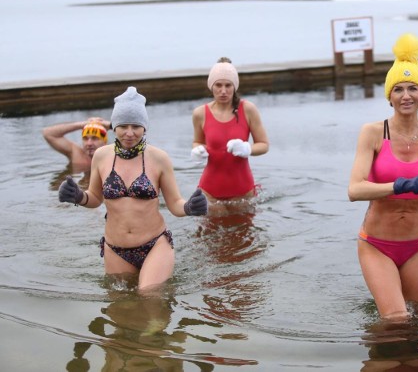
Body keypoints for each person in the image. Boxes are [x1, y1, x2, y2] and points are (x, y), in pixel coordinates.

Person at [347, 33, 418, 321]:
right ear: (389, 96)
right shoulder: (372, 133)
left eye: (413, 88)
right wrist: (397, 186)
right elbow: (355, 189)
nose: (406, 95)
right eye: (398, 89)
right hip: (377, 243)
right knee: (397, 319)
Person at [58, 86, 208, 291]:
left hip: (155, 244)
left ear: (144, 127)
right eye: (123, 126)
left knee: (148, 295)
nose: (129, 133)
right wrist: (77, 196)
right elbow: (94, 198)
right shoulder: (102, 156)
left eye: (136, 126)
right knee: (120, 310)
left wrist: (190, 207)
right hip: (115, 248)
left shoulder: (159, 158)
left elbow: (174, 204)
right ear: (114, 128)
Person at [190, 57, 269, 214]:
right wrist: (198, 150)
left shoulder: (248, 109)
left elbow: (264, 145)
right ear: (211, 86)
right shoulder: (200, 113)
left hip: (242, 191)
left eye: (228, 85)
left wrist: (248, 148)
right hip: (209, 191)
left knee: (243, 237)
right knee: (209, 237)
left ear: (235, 87)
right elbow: (197, 141)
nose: (223, 91)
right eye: (218, 85)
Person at [42, 117, 110, 171]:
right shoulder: (76, 154)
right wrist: (83, 124)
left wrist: (111, 125)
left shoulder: (112, 155)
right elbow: (47, 133)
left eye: (94, 138)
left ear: (104, 142)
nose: (89, 143)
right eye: (85, 139)